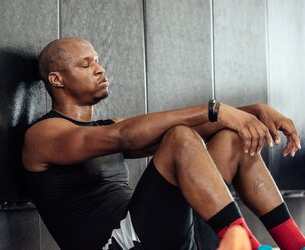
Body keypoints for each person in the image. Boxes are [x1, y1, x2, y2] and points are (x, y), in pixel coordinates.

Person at [22, 37, 305, 250]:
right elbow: (124, 135)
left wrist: (251, 112)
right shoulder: (43, 135)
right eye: (86, 64)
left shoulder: (110, 126)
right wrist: (216, 109)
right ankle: (248, 244)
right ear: (57, 79)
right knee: (179, 138)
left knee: (232, 139)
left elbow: (155, 131)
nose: (99, 69)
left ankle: (295, 244)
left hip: (155, 235)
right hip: (118, 243)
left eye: (97, 60)